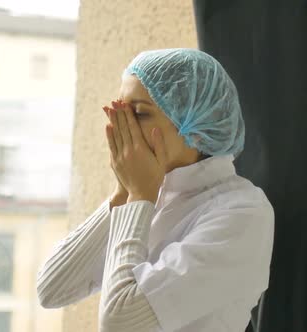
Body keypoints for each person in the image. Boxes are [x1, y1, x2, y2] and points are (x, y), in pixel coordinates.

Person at [36, 48, 274, 332]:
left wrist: (139, 196)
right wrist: (123, 192)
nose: (119, 125)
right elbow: (51, 289)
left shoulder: (243, 213)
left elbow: (119, 322)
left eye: (137, 113)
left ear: (196, 127)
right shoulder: (152, 193)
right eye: (119, 111)